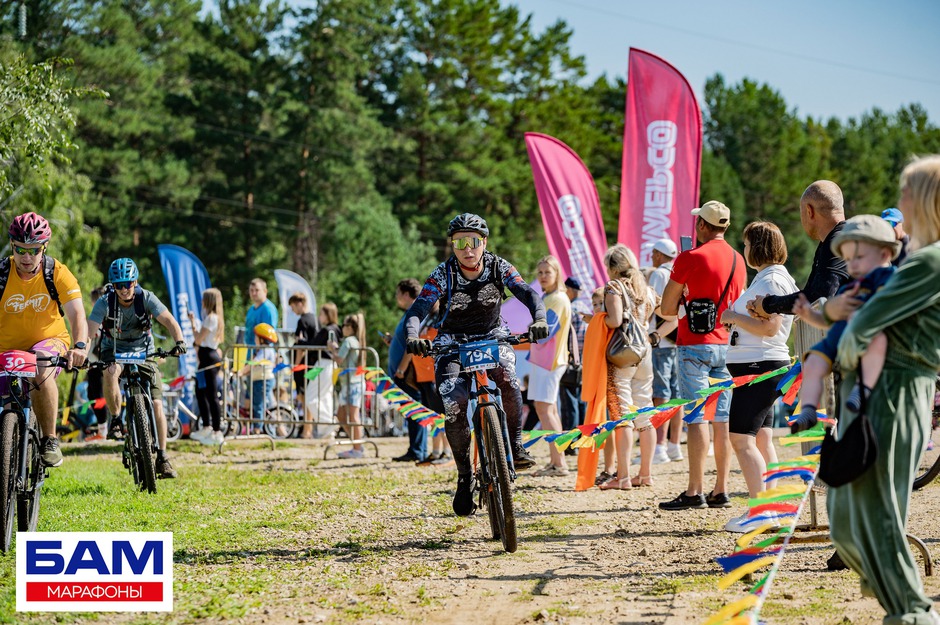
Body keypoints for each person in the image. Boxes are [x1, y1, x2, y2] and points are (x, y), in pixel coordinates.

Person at [826, 154, 940, 624]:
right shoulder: (922, 259)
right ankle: (901, 600)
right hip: (879, 390)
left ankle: (911, 612)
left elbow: (860, 327)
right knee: (846, 517)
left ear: (926, 198)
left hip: (893, 390)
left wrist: (840, 343)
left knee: (876, 511)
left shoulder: (928, 262)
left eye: (906, 191)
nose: (900, 200)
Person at [404, 213, 546, 516]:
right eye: (459, 243)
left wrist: (539, 319)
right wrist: (413, 336)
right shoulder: (443, 273)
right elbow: (418, 308)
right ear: (452, 246)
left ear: (484, 242)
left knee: (509, 379)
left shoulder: (499, 267)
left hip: (492, 336)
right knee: (454, 403)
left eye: (473, 241)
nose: (467, 249)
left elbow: (528, 293)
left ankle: (516, 445)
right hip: (452, 342)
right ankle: (464, 476)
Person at [659, 201, 745, 511]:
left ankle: (694, 491)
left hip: (694, 344)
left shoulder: (690, 257)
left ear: (703, 226)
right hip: (727, 345)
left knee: (697, 417)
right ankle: (721, 490)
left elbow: (666, 309)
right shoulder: (738, 259)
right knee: (721, 419)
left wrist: (684, 298)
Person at [717, 222, 797, 532]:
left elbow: (770, 328)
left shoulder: (772, 279)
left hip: (758, 367)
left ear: (759, 247)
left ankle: (760, 513)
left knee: (741, 439)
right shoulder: (771, 277)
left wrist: (732, 317)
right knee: (761, 439)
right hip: (759, 366)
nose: (745, 249)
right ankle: (768, 508)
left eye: (747, 244)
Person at [790, 215, 900, 431]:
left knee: (878, 342)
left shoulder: (889, 280)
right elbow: (829, 322)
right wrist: (809, 315)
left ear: (884, 254)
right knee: (812, 361)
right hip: (837, 343)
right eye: (848, 259)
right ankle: (809, 409)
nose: (852, 265)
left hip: (866, 340)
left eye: (858, 257)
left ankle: (863, 388)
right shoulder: (848, 289)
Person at [0, 212, 89, 468]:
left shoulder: (57, 273)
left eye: (34, 251)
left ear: (44, 247)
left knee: (40, 365)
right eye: (20, 250)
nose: (26, 257)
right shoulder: (2, 274)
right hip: (7, 348)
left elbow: (77, 314)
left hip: (49, 342)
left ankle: (49, 439)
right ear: (12, 245)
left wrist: (79, 346)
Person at [87, 258, 187, 479]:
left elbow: (169, 320)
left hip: (144, 351)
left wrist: (179, 342)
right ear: (113, 285)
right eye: (118, 285)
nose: (123, 289)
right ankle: (115, 419)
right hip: (114, 350)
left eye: (128, 284)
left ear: (135, 282)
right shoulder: (105, 302)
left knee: (158, 403)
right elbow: (89, 331)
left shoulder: (146, 298)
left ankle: (163, 457)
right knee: (110, 372)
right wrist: (79, 350)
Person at [598, 244, 657, 490]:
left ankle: (622, 477)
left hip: (622, 354)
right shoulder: (647, 290)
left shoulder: (613, 287)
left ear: (613, 268)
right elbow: (670, 316)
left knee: (622, 415)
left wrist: (596, 320)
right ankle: (645, 474)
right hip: (645, 352)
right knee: (645, 413)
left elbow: (614, 320)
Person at [748, 180, 849, 318]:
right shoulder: (837, 239)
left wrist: (767, 305)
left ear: (809, 211)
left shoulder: (838, 241)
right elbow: (811, 293)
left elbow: (818, 297)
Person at [528, 255, 571, 477]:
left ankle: (559, 463)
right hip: (544, 361)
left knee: (545, 410)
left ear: (557, 274)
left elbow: (544, 333)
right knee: (548, 410)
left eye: (548, 272)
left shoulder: (557, 299)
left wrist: (528, 331)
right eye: (540, 272)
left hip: (550, 361)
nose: (543, 276)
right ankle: (556, 461)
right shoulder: (548, 297)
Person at [646, 238, 682, 464]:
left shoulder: (659, 274)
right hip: (679, 340)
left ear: (659, 255)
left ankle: (659, 446)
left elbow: (656, 307)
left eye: (653, 254)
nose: (651, 258)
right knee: (676, 395)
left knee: (661, 394)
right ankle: (674, 445)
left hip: (661, 340)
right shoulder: (679, 271)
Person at [389, 279, 427, 463]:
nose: (396, 297)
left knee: (415, 410)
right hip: (404, 372)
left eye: (398, 293)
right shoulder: (410, 314)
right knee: (411, 411)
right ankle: (416, 449)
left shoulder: (414, 314)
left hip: (408, 373)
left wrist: (402, 369)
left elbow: (413, 345)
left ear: (405, 294)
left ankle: (418, 450)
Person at [189, 288, 225, 446]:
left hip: (209, 358)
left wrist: (193, 326)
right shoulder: (211, 318)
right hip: (205, 358)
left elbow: (198, 339)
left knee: (211, 395)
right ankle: (206, 426)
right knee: (201, 392)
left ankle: (216, 430)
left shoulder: (211, 318)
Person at [329, 313, 367, 459]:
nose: (342, 328)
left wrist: (332, 348)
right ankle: (357, 445)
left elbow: (339, 359)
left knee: (353, 416)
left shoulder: (349, 340)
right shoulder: (354, 340)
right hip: (350, 384)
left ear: (350, 327)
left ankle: (357, 449)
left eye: (344, 325)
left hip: (353, 384)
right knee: (341, 415)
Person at [301, 302, 340, 437]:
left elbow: (312, 344)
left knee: (310, 397)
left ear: (328, 315)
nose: (319, 317)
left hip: (323, 364)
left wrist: (300, 341)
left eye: (322, 314)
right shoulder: (337, 329)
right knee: (325, 397)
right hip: (330, 365)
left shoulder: (326, 330)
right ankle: (326, 432)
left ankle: (329, 422)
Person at [559, 276, 588, 437]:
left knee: (569, 403)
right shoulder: (585, 308)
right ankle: (583, 437)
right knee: (582, 401)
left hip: (570, 361)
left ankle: (570, 440)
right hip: (585, 361)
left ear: (569, 290)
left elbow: (566, 337)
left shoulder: (569, 309)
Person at [237, 322, 278, 434]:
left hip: (263, 380)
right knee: (257, 404)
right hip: (258, 379)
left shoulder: (265, 350)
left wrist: (241, 371)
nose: (255, 339)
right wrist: (242, 372)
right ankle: (259, 427)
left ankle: (257, 429)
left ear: (262, 339)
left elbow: (254, 363)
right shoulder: (261, 350)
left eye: (256, 337)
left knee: (258, 404)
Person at [288, 292, 318, 424]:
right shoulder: (314, 318)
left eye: (293, 307)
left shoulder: (303, 321)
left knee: (304, 396)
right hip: (312, 363)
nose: (292, 310)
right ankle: (308, 425)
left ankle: (307, 426)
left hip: (304, 365)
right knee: (307, 396)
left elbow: (301, 347)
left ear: (299, 304)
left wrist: (295, 366)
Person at [244, 278, 278, 346]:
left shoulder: (268, 309)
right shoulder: (251, 309)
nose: (254, 293)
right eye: (251, 290)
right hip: (250, 349)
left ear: (265, 291)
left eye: (257, 290)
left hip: (263, 350)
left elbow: (269, 335)